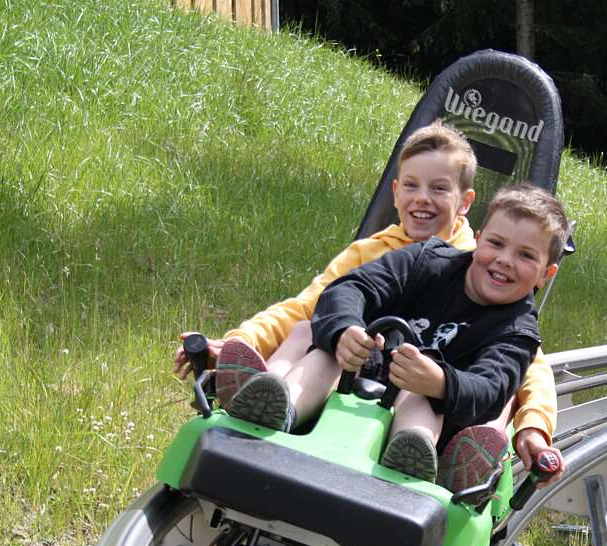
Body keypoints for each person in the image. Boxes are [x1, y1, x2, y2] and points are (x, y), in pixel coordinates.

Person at [173, 121, 564, 487]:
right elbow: (322, 298)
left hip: (429, 400)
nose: (504, 260)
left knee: (447, 398)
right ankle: (273, 399)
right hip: (359, 366)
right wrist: (335, 332)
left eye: (439, 189)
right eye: (495, 244)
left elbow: (523, 372)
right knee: (312, 331)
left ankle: (421, 457)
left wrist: (530, 424)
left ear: (465, 203)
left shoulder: (510, 319)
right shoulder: (410, 256)